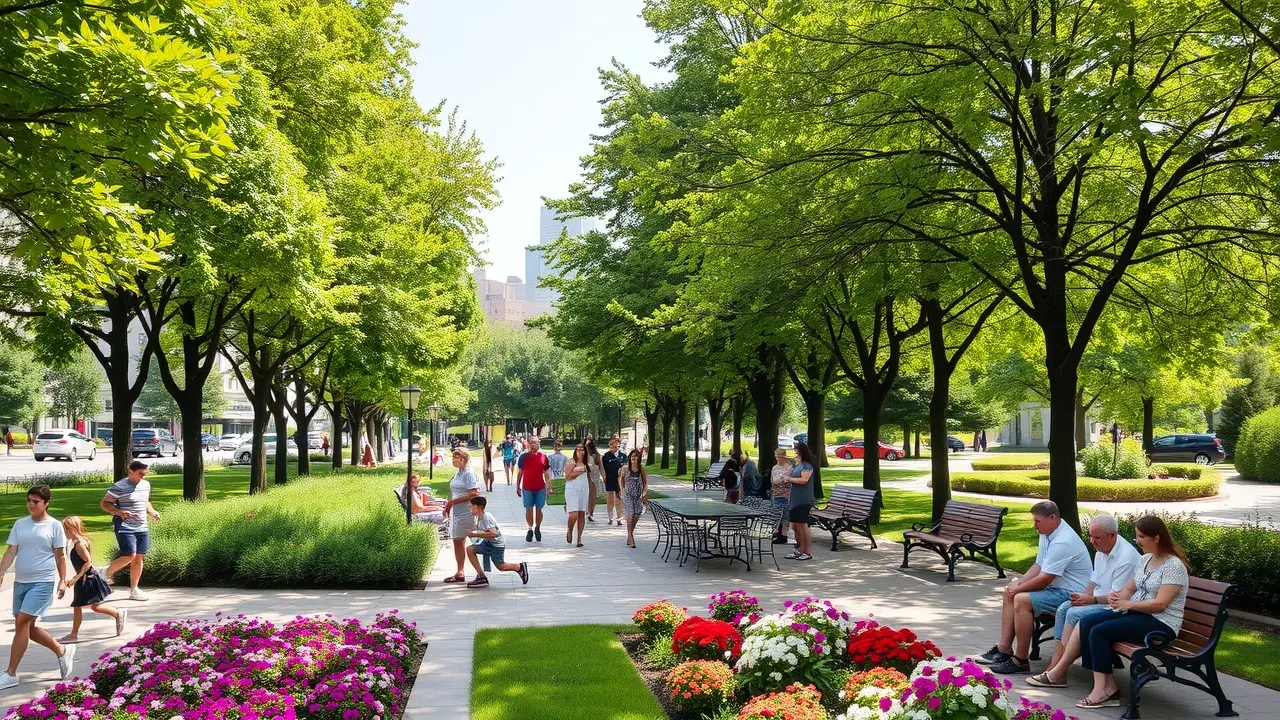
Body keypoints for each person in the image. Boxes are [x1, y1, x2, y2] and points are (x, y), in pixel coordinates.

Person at [1071, 515, 1191, 709]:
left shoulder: (1174, 566)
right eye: (1137, 536)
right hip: (1139, 614)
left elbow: (1160, 604)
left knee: (1100, 631)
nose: (1137, 540)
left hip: (1161, 623)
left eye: (1141, 536)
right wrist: (1117, 597)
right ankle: (1107, 686)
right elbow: (1128, 588)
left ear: (1157, 538)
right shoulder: (1145, 559)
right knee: (1087, 621)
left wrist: (1128, 605)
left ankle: (1102, 690)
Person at [1026, 513, 1140, 689]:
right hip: (1098, 601)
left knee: (1073, 613)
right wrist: (1082, 597)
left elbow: (1118, 598)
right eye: (1091, 536)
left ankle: (1058, 670)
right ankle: (1055, 666)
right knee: (1065, 607)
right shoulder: (1103, 548)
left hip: (1117, 608)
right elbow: (1093, 581)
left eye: (1097, 538)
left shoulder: (1126, 557)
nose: (1092, 541)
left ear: (1112, 535)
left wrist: (1091, 599)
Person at [978, 500, 1093, 674]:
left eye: (1037, 521)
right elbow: (1039, 565)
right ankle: (1003, 649)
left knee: (1021, 599)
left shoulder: (1063, 541)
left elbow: (1046, 578)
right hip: (1056, 588)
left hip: (1072, 594)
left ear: (1052, 518)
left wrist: (1020, 589)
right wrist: (1019, 583)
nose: (1034, 525)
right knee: (1010, 592)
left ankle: (1021, 660)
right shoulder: (1047, 533)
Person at [0, 485, 74, 690]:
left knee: (22, 621)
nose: (31, 505)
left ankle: (10, 673)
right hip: (21, 582)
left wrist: (62, 580)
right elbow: (11, 551)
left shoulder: (54, 526)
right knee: (27, 628)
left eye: (36, 502)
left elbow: (60, 555)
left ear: (46, 503)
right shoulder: (20, 524)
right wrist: (1, 571)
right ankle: (61, 650)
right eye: (29, 501)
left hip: (42, 581)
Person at [57, 516, 126, 643]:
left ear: (73, 529)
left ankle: (117, 613)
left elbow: (88, 562)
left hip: (87, 579)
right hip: (84, 578)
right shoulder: (77, 542)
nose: (64, 532)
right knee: (85, 606)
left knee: (88, 606)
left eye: (66, 529)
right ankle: (74, 633)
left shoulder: (80, 544)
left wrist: (75, 578)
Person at [101, 460, 160, 601]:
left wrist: (152, 512)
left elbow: (146, 502)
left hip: (142, 525)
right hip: (124, 525)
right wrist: (119, 512)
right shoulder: (119, 486)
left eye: (145, 474)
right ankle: (102, 574)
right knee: (130, 555)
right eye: (140, 474)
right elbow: (104, 503)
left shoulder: (145, 485)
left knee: (139, 557)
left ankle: (134, 590)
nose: (143, 476)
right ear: (131, 472)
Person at [463, 496, 529, 588]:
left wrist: (475, 535)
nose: (470, 509)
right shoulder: (481, 517)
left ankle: (519, 567)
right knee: (470, 549)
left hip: (495, 545)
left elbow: (492, 534)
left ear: (478, 507)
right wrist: (474, 532)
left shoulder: (486, 518)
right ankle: (481, 576)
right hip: (488, 543)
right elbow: (486, 531)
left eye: (471, 506)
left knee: (501, 566)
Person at [440, 448, 480, 584]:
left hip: (465, 511)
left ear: (464, 459)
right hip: (455, 512)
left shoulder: (468, 473)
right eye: (453, 457)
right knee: (457, 541)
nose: (454, 460)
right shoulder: (458, 473)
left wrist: (453, 502)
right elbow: (455, 491)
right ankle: (460, 571)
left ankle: (480, 572)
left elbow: (474, 493)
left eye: (457, 458)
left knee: (469, 540)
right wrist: (448, 505)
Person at [516, 436, 552, 543]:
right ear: (528, 444)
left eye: (536, 443)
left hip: (540, 487)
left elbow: (546, 472)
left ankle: (538, 528)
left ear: (539, 444)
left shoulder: (543, 456)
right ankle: (530, 528)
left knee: (539, 509)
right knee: (529, 509)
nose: (534, 445)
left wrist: (549, 485)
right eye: (531, 443)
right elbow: (520, 473)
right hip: (527, 487)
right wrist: (517, 486)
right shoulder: (523, 457)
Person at [785, 442, 817, 561]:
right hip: (794, 500)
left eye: (796, 450)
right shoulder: (798, 465)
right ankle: (799, 549)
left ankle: (807, 551)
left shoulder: (807, 466)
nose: (794, 452)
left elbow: (804, 480)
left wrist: (789, 479)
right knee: (795, 526)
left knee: (802, 525)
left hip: (803, 500)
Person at [563, 443, 591, 547]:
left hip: (583, 487)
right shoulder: (571, 462)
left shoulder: (586, 463)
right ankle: (570, 529)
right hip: (572, 489)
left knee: (581, 513)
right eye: (578, 449)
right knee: (573, 514)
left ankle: (579, 538)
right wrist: (579, 471)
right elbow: (568, 477)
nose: (580, 451)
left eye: (582, 449)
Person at [620, 449, 648, 548]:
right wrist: (622, 491)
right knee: (631, 514)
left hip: (638, 495)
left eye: (636, 456)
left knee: (636, 515)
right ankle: (631, 537)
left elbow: (645, 482)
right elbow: (621, 481)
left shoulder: (642, 469)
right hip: (628, 495)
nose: (633, 457)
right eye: (632, 455)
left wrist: (644, 494)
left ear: (639, 458)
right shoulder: (625, 468)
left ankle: (629, 533)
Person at [770, 447, 794, 544]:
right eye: (776, 457)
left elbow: (789, 480)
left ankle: (784, 535)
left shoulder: (789, 468)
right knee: (776, 513)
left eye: (780, 457)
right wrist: (777, 482)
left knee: (785, 515)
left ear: (784, 457)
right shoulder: (775, 468)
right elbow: (773, 480)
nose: (778, 459)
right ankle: (776, 532)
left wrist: (780, 481)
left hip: (786, 494)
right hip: (776, 494)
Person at [602, 435, 627, 525]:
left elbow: (626, 467)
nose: (613, 445)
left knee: (619, 498)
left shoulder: (623, 456)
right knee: (610, 499)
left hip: (619, 480)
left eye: (615, 443)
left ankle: (619, 518)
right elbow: (603, 468)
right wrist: (604, 477)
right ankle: (610, 518)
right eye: (611, 443)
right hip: (609, 478)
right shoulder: (606, 456)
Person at [584, 437, 604, 522]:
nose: (587, 447)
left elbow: (601, 467)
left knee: (593, 496)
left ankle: (590, 512)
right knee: (588, 495)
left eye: (588, 445)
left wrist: (604, 476)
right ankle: (587, 512)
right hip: (586, 476)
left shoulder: (596, 455)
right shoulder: (583, 454)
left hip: (595, 475)